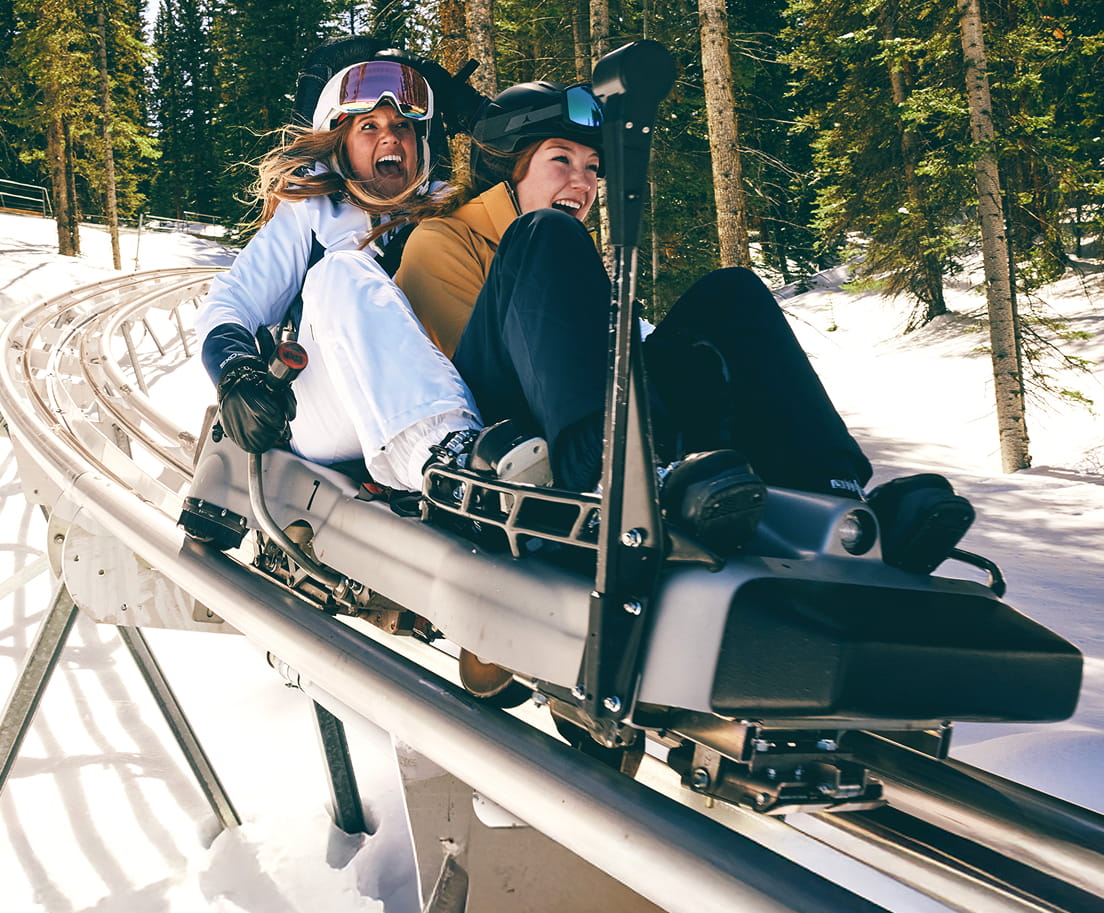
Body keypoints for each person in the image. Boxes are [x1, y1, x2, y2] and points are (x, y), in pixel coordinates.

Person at [395, 81, 976, 571]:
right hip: (509, 452)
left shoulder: (559, 248)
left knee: (733, 292)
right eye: (561, 160)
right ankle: (608, 469)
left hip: (600, 422)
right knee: (543, 233)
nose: (584, 181)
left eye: (594, 167)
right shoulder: (446, 239)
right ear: (507, 170)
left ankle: (831, 498)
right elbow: (459, 383)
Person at [196, 40, 487, 492]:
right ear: (340, 144)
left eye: (404, 127)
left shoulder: (451, 208)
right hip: (330, 412)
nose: (391, 137)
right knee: (342, 273)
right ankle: (450, 464)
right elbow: (233, 301)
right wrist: (235, 371)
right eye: (369, 126)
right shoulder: (314, 213)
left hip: (453, 387)